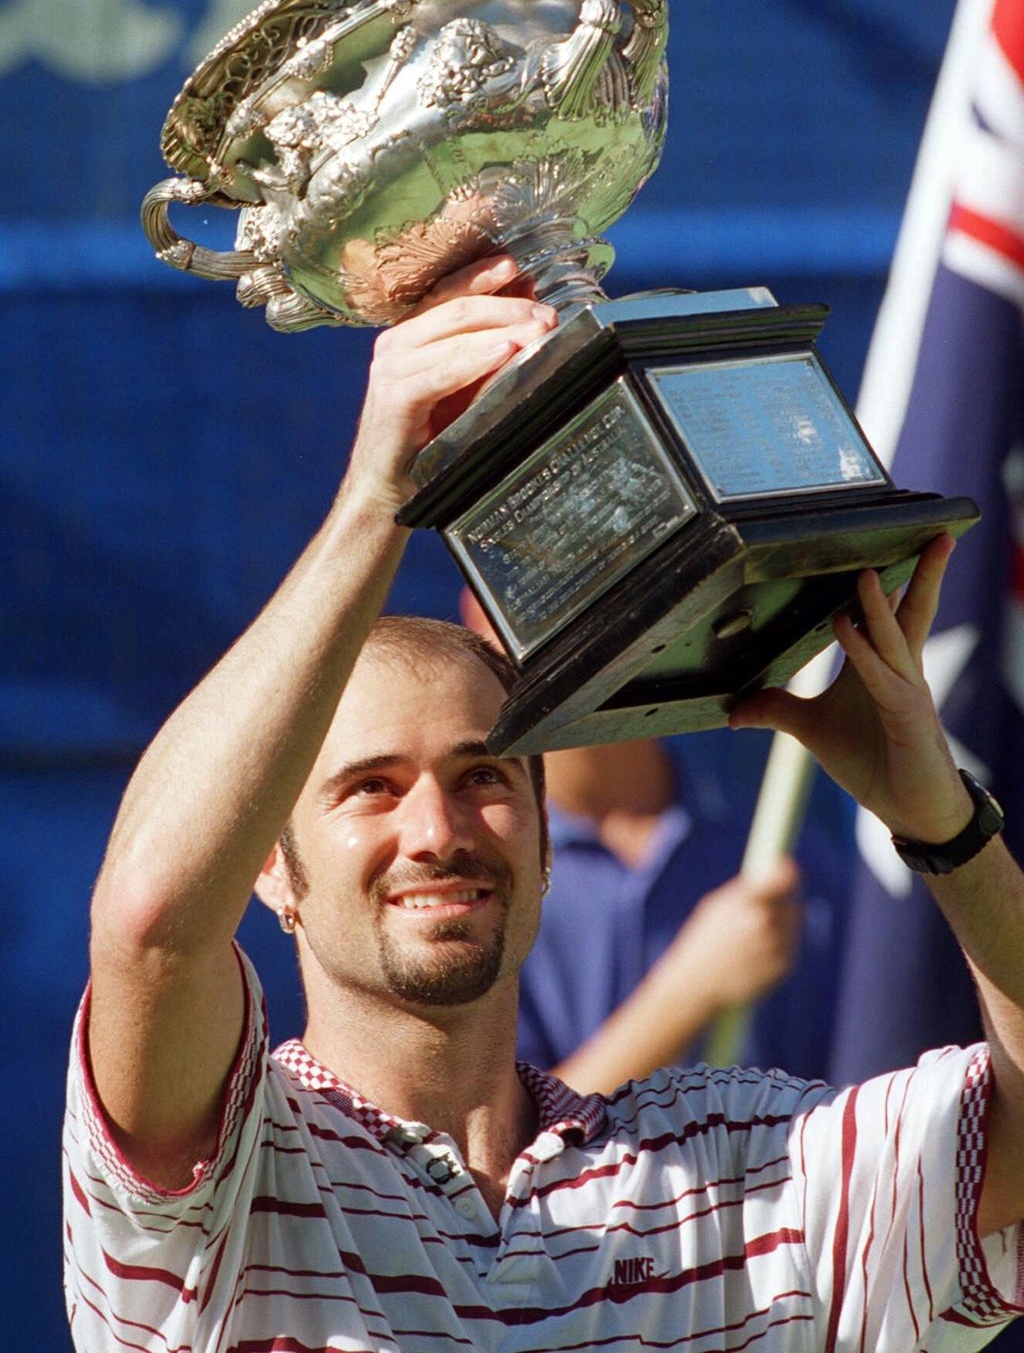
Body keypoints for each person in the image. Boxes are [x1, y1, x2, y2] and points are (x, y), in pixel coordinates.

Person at [64, 255, 1024, 1351]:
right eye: (368, 788)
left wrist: (944, 824)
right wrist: (380, 501)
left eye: (481, 776)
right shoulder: (214, 1177)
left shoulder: (739, 1166)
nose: (435, 830)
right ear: (269, 867)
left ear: (543, 829)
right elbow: (147, 926)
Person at [459, 587, 818, 1089]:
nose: (576, 637)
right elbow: (500, 1153)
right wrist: (690, 991)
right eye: (541, 596)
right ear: (482, 624)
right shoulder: (464, 883)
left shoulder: (785, 856)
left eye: (607, 593)